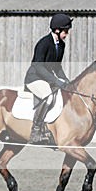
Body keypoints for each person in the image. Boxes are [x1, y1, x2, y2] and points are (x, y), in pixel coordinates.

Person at [24, 13, 73, 145]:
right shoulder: (43, 43)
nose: (67, 34)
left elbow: (57, 67)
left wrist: (66, 81)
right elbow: (38, 67)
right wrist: (56, 81)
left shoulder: (61, 45)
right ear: (57, 30)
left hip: (45, 79)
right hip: (34, 78)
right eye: (65, 31)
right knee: (49, 96)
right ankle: (35, 130)